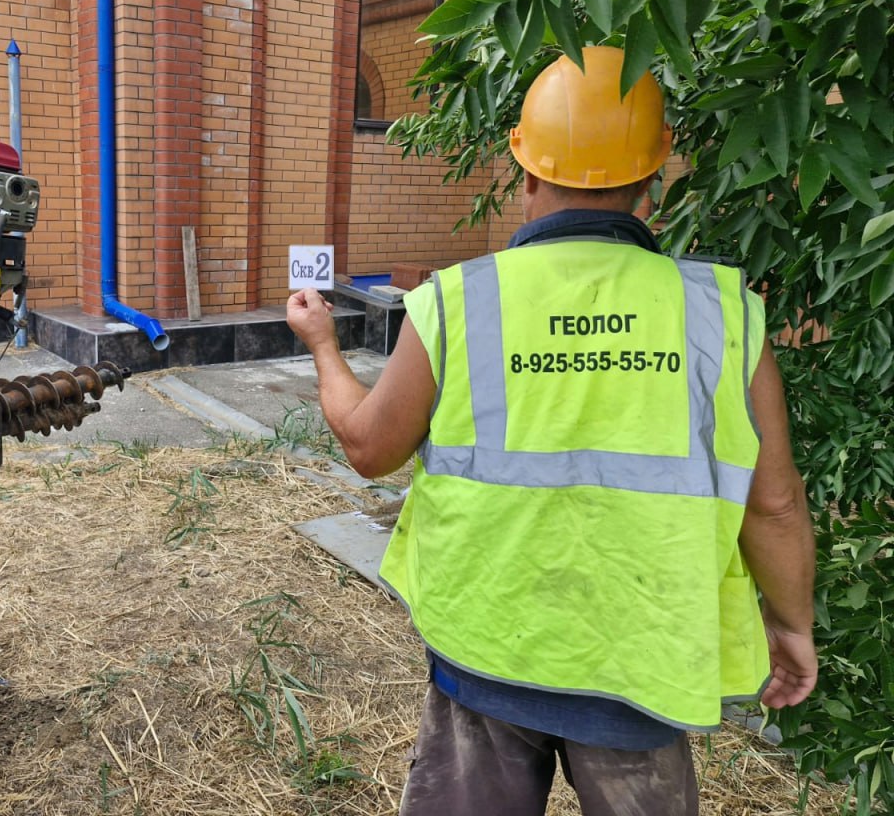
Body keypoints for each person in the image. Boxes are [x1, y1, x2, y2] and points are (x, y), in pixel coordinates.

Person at [286, 46, 817, 816]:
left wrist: (323, 346)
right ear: (654, 173)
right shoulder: (722, 314)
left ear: (525, 167)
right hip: (642, 666)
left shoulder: (459, 301)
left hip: (487, 653)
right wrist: (792, 623)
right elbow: (775, 504)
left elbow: (368, 448)